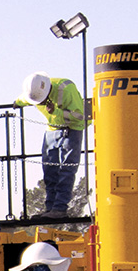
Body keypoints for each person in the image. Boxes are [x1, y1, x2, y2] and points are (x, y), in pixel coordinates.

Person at [15, 72, 87, 220]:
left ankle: (60, 209)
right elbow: (24, 99)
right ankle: (50, 209)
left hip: (73, 129)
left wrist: (56, 112)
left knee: (67, 169)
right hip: (52, 129)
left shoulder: (66, 89)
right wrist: (17, 102)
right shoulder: (34, 93)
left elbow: (79, 116)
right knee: (49, 169)